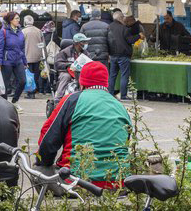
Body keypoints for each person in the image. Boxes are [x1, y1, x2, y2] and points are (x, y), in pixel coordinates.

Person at [36, 61, 131, 190]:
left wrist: (44, 163)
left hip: (76, 182)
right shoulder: (120, 106)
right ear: (106, 83)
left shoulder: (71, 100)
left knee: (37, 170)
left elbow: (48, 140)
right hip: (117, 183)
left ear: (81, 82)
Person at [0, 12, 27, 106]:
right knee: (5, 84)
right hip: (7, 60)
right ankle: (4, 104)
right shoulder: (4, 31)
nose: (18, 20)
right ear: (11, 20)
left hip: (18, 60)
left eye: (18, 18)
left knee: (22, 81)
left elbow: (22, 48)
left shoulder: (20, 31)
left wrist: (25, 61)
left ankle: (15, 100)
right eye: (16, 18)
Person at [107, 10, 140, 100]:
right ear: (120, 18)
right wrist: (138, 36)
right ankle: (123, 95)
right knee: (124, 75)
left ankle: (109, 94)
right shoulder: (124, 29)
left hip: (113, 55)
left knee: (112, 75)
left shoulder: (109, 27)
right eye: (123, 18)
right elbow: (130, 40)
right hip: (123, 55)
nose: (124, 20)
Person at [54, 33, 91, 98]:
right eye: (84, 42)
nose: (86, 43)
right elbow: (57, 63)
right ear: (77, 43)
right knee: (66, 77)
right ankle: (58, 98)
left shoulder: (86, 53)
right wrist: (68, 65)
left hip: (80, 73)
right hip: (66, 72)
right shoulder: (65, 52)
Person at [22, 15, 45, 99]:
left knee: (28, 76)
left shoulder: (23, 31)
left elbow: (20, 45)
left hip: (27, 57)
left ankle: (30, 92)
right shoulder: (39, 31)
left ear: (25, 22)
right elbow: (43, 44)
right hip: (38, 57)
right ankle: (33, 91)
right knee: (35, 75)